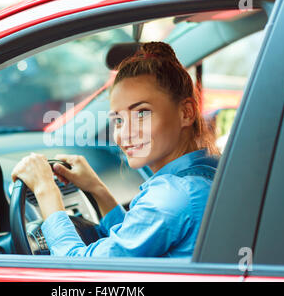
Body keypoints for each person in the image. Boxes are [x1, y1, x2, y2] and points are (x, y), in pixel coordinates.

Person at [11, 41, 220, 258]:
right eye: (118, 120)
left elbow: (80, 271)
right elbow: (137, 241)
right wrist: (97, 189)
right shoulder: (206, 173)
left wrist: (45, 189)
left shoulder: (172, 196)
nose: (124, 134)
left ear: (186, 113)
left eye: (142, 113)